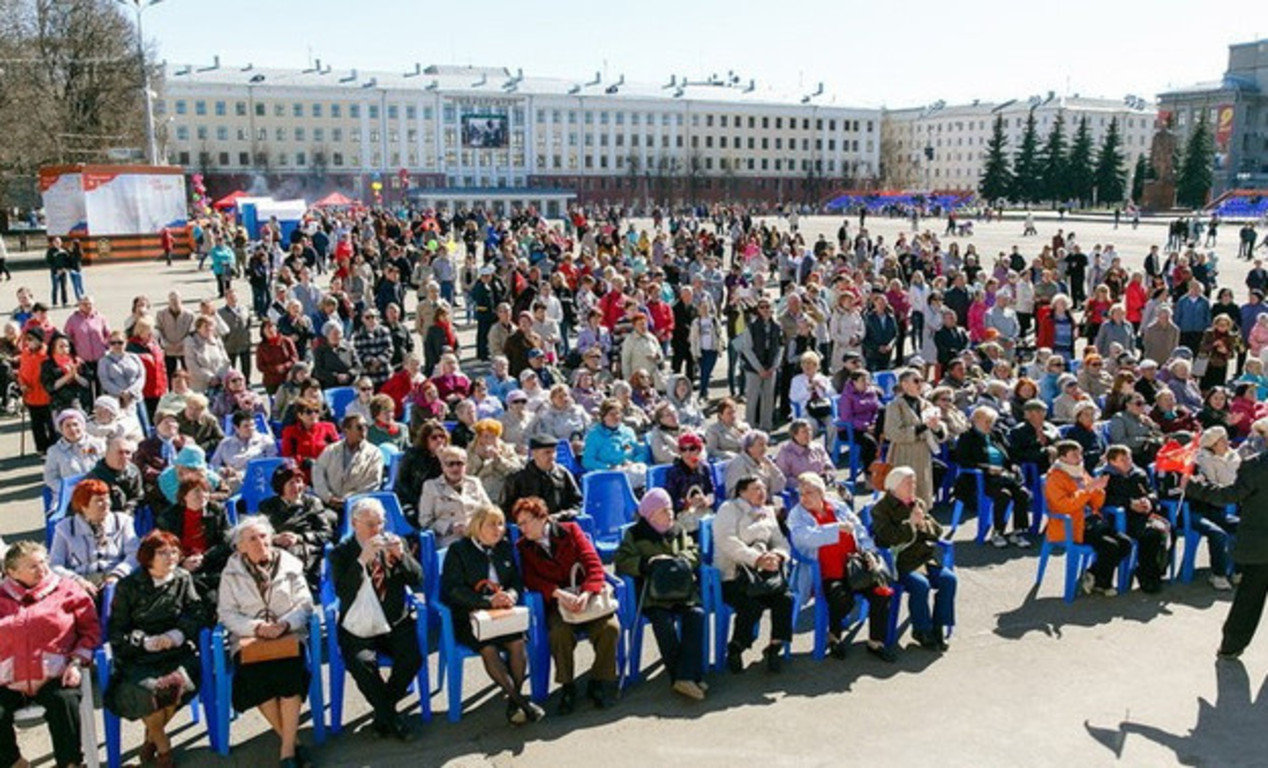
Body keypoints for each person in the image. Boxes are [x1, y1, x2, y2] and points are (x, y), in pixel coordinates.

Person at [216, 517, 315, 767]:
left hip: (288, 634)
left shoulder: (290, 565)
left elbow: (305, 603)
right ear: (240, 547)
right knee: (256, 678)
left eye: (263, 536)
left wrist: (284, 624)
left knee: (291, 675)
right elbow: (226, 613)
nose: (260, 542)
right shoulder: (231, 573)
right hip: (249, 639)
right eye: (252, 538)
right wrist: (257, 627)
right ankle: (292, 743)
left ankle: (286, 752)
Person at [104, 531, 204, 768]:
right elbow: (117, 630)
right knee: (147, 690)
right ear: (148, 557)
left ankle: (151, 737)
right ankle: (163, 746)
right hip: (140, 656)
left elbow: (197, 613)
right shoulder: (129, 586)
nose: (170, 557)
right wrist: (145, 642)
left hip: (175, 651)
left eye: (173, 551)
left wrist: (176, 635)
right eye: (162, 552)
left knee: (176, 684)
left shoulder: (182, 578)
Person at [513, 496, 620, 713]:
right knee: (559, 633)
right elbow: (530, 579)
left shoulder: (570, 531)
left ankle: (598, 680)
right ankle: (567, 685)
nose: (522, 528)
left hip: (586, 597)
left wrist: (588, 592)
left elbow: (593, 564)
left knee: (610, 629)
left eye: (526, 522)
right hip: (556, 603)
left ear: (542, 518)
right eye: (519, 524)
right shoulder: (523, 547)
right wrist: (557, 593)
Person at [329, 497, 424, 739]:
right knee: (362, 665)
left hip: (394, 621)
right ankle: (393, 719)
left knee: (412, 658)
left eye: (379, 523)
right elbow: (342, 591)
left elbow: (418, 580)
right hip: (358, 626)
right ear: (354, 523)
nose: (376, 529)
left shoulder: (394, 541)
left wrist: (402, 557)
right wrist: (362, 561)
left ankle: (384, 716)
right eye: (370, 524)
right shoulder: (341, 552)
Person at [441, 504, 544, 724]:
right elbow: (452, 590)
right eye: (492, 524)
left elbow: (515, 580)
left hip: (503, 614)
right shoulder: (459, 550)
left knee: (517, 644)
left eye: (500, 524)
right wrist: (487, 601)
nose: (498, 529)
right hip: (470, 616)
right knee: (488, 648)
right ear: (478, 526)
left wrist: (512, 596)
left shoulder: (504, 547)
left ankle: (514, 703)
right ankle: (522, 703)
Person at [0, 541, 100, 768]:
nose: (42, 569)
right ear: (12, 572)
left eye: (44, 562)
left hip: (55, 674)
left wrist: (76, 661)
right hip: (7, 678)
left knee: (63, 702)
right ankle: (13, 762)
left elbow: (91, 630)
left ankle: (70, 763)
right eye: (33, 566)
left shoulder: (68, 590)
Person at [788, 472, 896, 661]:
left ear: (821, 493)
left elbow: (860, 530)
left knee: (882, 592)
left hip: (855, 567)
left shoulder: (837, 506)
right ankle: (834, 636)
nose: (804, 498)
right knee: (841, 598)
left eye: (809, 493)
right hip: (826, 572)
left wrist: (869, 552)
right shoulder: (797, 514)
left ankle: (875, 641)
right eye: (801, 493)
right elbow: (804, 539)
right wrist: (835, 528)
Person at [614, 488, 708, 700]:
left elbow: (694, 551)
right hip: (653, 594)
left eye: (671, 509)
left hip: (681, 590)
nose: (670, 514)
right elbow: (622, 560)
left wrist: (681, 560)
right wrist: (646, 564)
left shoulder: (677, 529)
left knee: (696, 614)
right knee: (662, 621)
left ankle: (686, 676)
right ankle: (683, 677)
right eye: (664, 510)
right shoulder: (636, 534)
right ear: (651, 514)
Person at [1181, 438, 1268, 658]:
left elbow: (1229, 496)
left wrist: (1192, 485)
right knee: (1249, 597)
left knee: (1249, 598)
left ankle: (1231, 646)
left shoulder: (1256, 465)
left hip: (1260, 545)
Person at [713, 476, 793, 673]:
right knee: (751, 602)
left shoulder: (767, 511)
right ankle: (737, 647)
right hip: (734, 574)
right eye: (756, 488)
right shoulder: (728, 509)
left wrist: (778, 556)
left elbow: (780, 542)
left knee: (785, 599)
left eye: (763, 488)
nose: (762, 492)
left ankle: (775, 646)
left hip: (763, 575)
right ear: (742, 492)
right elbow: (728, 541)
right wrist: (757, 559)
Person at [872, 467, 956, 650]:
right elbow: (887, 537)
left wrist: (922, 524)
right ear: (895, 486)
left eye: (914, 483)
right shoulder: (881, 509)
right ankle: (921, 630)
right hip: (900, 562)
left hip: (924, 559)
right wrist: (910, 524)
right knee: (920, 585)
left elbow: (937, 531)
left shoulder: (917, 503)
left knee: (949, 579)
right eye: (908, 483)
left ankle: (938, 627)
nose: (913, 486)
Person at [1043, 441, 1127, 596]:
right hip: (1072, 526)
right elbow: (1064, 506)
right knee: (1110, 546)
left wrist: (1098, 490)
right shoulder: (1055, 477)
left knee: (1126, 543)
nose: (1079, 457)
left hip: (1092, 521)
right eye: (1074, 454)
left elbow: (1097, 503)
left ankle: (1093, 575)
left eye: (1079, 453)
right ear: (1062, 457)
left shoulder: (1080, 472)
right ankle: (1103, 583)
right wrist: (1087, 491)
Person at [953, 406, 1033, 547]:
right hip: (981, 479)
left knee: (1022, 493)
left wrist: (1013, 465)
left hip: (1003, 475)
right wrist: (987, 468)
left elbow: (1011, 453)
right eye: (987, 421)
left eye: (992, 421)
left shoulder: (997, 434)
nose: (990, 425)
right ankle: (998, 532)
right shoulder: (967, 437)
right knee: (1004, 495)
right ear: (976, 420)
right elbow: (962, 460)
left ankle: (1018, 532)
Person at [49, 477, 139, 598]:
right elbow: (55, 565)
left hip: (115, 578)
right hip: (81, 580)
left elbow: (135, 554)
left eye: (107, 498)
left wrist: (117, 574)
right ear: (83, 505)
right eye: (99, 500)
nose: (107, 503)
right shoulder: (65, 528)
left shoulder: (123, 521)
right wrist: (77, 581)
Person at [259, 461, 337, 594]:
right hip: (277, 550)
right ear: (281, 487)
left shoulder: (312, 503)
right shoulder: (267, 506)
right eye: (291, 483)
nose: (297, 487)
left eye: (299, 481)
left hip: (306, 551)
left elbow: (327, 533)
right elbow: (259, 532)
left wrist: (300, 538)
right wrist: (275, 538)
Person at [1101, 445, 1170, 594]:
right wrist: (1129, 503)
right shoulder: (1108, 477)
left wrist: (1148, 501)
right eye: (1122, 460)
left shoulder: (1139, 474)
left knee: (1168, 530)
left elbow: (1151, 492)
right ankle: (1147, 575)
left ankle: (1157, 571)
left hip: (1143, 515)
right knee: (1150, 535)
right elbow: (1105, 499)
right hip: (1122, 519)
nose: (1127, 462)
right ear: (1112, 462)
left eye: (1129, 458)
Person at [157, 477, 233, 601]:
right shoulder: (168, 517)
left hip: (211, 563)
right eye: (197, 491)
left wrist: (205, 557)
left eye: (206, 491)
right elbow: (164, 545)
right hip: (179, 565)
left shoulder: (217, 511)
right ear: (184, 496)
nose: (203, 495)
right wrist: (182, 561)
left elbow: (227, 541)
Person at [884, 369, 945, 506]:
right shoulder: (895, 406)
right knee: (904, 493)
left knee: (923, 491)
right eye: (916, 381)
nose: (920, 384)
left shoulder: (926, 404)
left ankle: (922, 520)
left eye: (922, 381)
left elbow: (940, 432)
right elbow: (893, 433)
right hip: (904, 453)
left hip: (923, 454)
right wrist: (923, 427)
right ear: (904, 384)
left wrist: (937, 428)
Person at [1192, 426, 1241, 591]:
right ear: (1212, 444)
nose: (1227, 443)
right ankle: (1218, 574)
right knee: (1217, 533)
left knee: (1244, 526)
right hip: (1198, 510)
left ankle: (1237, 570)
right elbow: (1217, 486)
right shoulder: (1202, 460)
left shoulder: (1232, 455)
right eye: (1222, 440)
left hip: (1217, 508)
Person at [417, 445, 493, 547]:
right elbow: (425, 521)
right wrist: (450, 527)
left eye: (459, 463)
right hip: (449, 539)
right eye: (450, 464)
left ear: (466, 466)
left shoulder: (474, 483)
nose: (455, 468)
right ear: (443, 467)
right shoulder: (431, 486)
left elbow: (489, 510)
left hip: (477, 536)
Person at [311, 413, 383, 513]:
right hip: (329, 504)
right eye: (359, 427)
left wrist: (349, 500)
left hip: (358, 506)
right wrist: (328, 497)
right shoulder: (331, 450)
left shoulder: (374, 454)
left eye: (366, 426)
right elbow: (318, 472)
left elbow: (373, 482)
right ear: (346, 430)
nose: (364, 429)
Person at [500, 434, 583, 518]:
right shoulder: (518, 477)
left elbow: (577, 502)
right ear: (534, 454)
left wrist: (562, 515)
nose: (552, 456)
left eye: (554, 451)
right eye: (547, 452)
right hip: (528, 527)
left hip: (558, 523)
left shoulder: (563, 474)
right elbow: (506, 508)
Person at [43, 408, 105, 511]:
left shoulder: (98, 444)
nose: (72, 429)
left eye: (76, 424)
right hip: (69, 496)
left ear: (83, 426)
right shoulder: (54, 451)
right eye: (67, 426)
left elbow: (106, 468)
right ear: (61, 430)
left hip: (97, 491)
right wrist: (67, 490)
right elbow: (50, 478)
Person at [737, 297, 782, 432]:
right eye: (762, 307)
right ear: (758, 310)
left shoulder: (777, 326)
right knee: (752, 399)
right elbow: (747, 349)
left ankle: (766, 427)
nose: (765, 309)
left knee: (768, 400)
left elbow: (780, 347)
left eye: (767, 306)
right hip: (753, 369)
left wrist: (774, 366)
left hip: (770, 368)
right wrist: (759, 369)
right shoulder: (751, 327)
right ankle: (749, 429)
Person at [581, 398, 646, 491]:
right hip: (608, 475)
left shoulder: (628, 432)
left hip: (630, 470)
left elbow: (640, 452)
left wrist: (634, 461)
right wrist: (609, 467)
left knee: (642, 469)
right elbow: (587, 461)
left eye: (618, 413)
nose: (616, 417)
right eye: (612, 414)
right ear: (603, 417)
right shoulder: (594, 435)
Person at [663, 432, 715, 533]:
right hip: (684, 516)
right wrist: (687, 503)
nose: (687, 453)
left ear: (699, 450)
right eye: (683, 449)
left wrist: (706, 500)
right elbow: (670, 500)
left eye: (692, 448)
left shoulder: (704, 468)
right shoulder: (674, 472)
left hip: (701, 511)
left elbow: (711, 491)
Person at [280, 398, 340, 482]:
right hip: (304, 475)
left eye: (316, 411)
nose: (313, 415)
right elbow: (288, 457)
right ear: (300, 415)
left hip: (328, 472)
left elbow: (339, 450)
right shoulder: (290, 432)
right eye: (309, 412)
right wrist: (304, 461)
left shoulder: (329, 427)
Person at [183, 316, 230, 393]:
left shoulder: (216, 339)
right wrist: (210, 378)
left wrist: (226, 375)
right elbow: (192, 366)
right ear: (198, 328)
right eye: (206, 326)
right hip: (200, 386)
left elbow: (225, 360)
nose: (209, 329)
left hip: (220, 383)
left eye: (211, 326)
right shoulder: (190, 341)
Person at [312, 321, 361, 390]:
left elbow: (358, 366)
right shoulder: (320, 351)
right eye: (334, 334)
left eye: (339, 334)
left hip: (349, 385)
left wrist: (349, 375)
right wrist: (336, 377)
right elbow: (318, 371)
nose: (338, 336)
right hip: (329, 386)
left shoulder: (349, 348)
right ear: (327, 335)